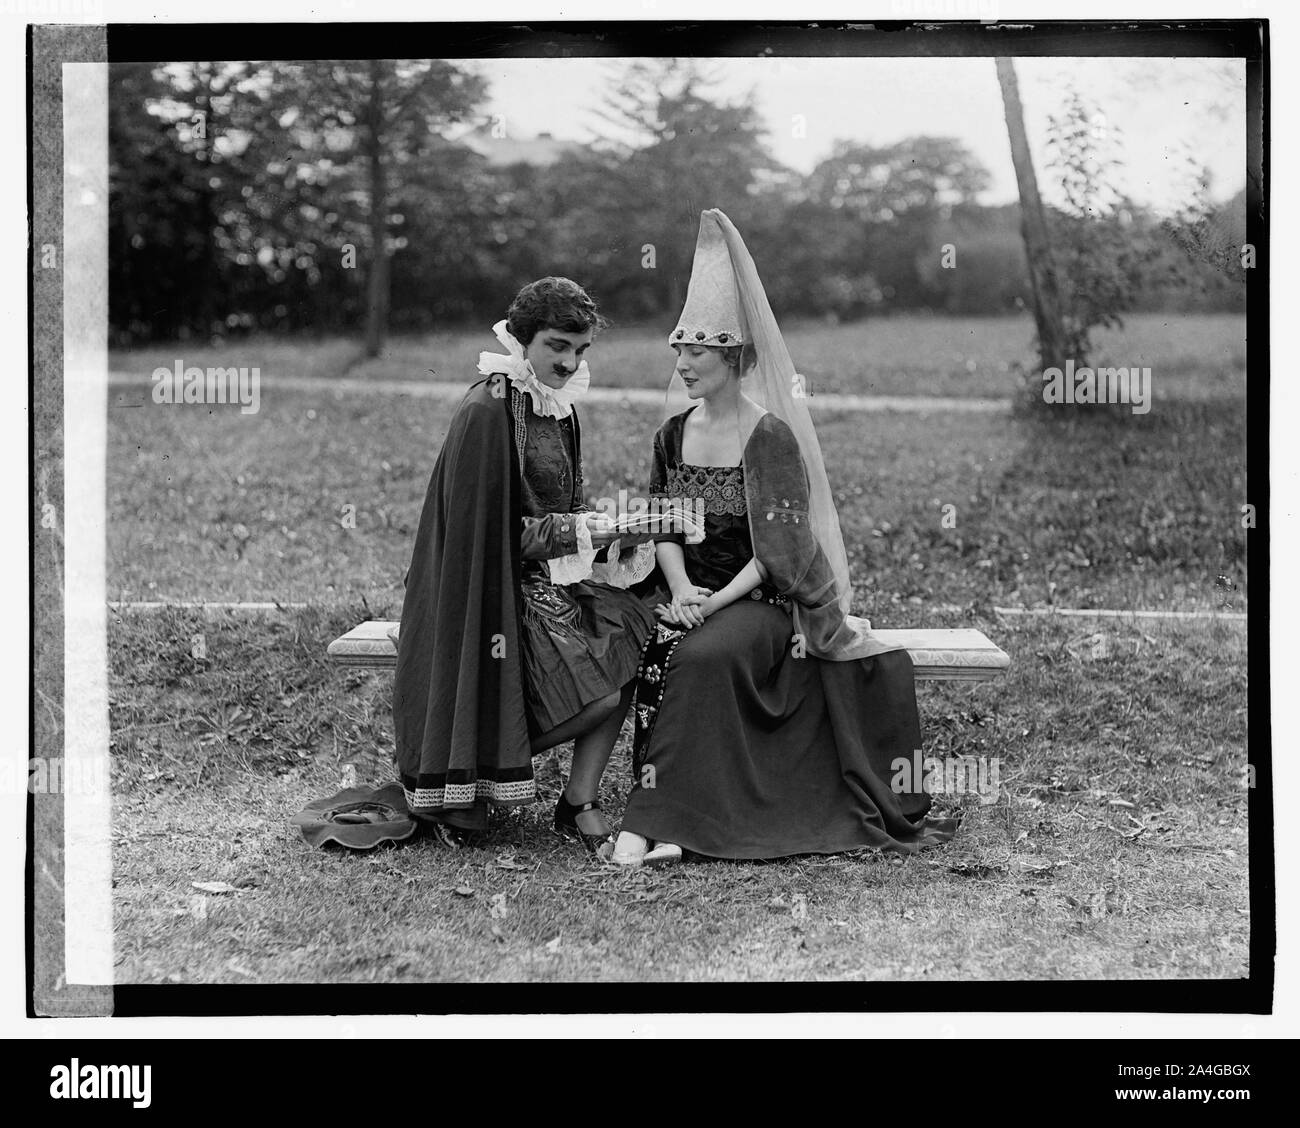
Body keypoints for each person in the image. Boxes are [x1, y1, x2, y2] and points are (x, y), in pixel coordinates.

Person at [612, 210, 959, 866]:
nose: (683, 364)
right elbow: (661, 523)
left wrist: (710, 604)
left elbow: (777, 554)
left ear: (734, 357)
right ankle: (666, 817)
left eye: (697, 352)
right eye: (679, 351)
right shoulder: (671, 435)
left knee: (701, 656)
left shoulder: (767, 436)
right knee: (654, 644)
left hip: (757, 602)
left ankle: (664, 826)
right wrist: (683, 586)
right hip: (685, 590)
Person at [393, 277, 658, 856]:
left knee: (635, 629)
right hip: (488, 592)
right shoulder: (488, 410)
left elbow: (557, 510)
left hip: (542, 577)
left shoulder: (553, 405)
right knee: (601, 697)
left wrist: (617, 528)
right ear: (522, 338)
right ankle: (475, 763)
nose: (568, 361)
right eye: (558, 346)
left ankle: (579, 800)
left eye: (580, 349)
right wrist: (588, 529)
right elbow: (481, 537)